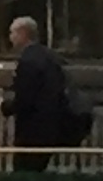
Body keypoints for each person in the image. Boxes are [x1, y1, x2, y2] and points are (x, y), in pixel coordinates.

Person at [5, 14, 76, 172]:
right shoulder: (49, 56)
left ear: (23, 33)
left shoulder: (28, 61)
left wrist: (3, 104)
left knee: (25, 172)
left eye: (12, 33)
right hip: (52, 127)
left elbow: (25, 99)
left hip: (32, 131)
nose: (10, 37)